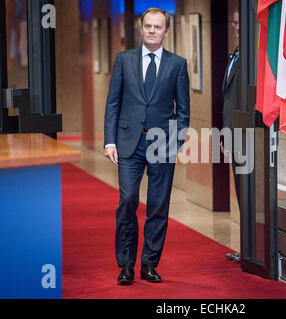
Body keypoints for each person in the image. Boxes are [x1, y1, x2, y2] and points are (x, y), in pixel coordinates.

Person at [104, 8, 190, 285]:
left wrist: (175, 142)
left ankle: (149, 263)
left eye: (158, 27)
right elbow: (113, 104)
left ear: (166, 32)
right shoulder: (124, 60)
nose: (152, 31)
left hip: (161, 145)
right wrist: (110, 141)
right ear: (141, 29)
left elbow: (183, 110)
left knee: (158, 205)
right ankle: (126, 264)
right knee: (128, 200)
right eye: (148, 26)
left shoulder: (177, 65)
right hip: (129, 144)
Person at [222, 8, 241, 263]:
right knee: (241, 190)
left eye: (241, 23)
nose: (237, 27)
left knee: (249, 191)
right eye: (235, 23)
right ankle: (246, 248)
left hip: (249, 136)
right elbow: (229, 99)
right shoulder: (236, 54)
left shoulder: (252, 56)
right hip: (234, 135)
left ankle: (252, 250)